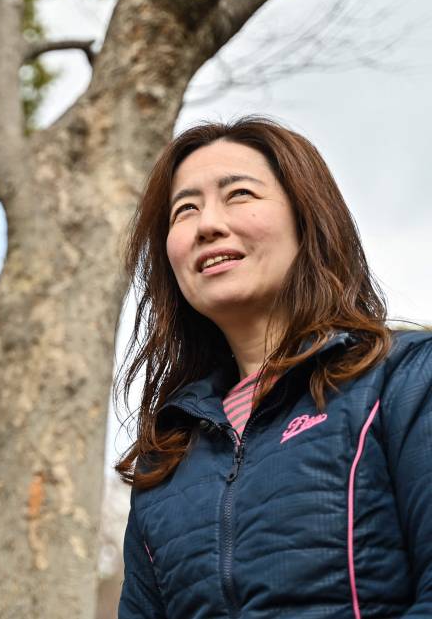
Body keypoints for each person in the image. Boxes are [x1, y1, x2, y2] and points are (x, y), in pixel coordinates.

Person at [115, 117, 432, 618]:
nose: (207, 224)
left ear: (308, 218)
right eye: (185, 209)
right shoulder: (164, 462)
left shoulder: (407, 379)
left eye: (239, 194)